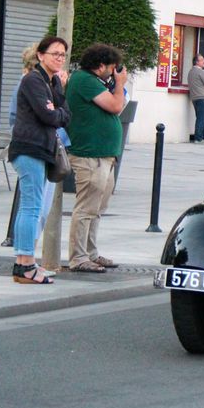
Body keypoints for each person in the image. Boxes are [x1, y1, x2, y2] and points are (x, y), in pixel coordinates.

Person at [8, 36, 71, 284]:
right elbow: (50, 115)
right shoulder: (33, 80)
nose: (59, 58)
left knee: (34, 208)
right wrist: (59, 113)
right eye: (55, 53)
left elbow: (61, 111)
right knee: (31, 208)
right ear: (41, 56)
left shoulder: (48, 82)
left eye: (63, 55)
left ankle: (25, 264)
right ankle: (24, 264)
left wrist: (59, 100)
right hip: (29, 149)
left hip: (39, 150)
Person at [64, 43, 127, 274]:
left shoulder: (94, 81)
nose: (114, 71)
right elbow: (115, 105)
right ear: (100, 66)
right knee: (86, 207)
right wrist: (120, 85)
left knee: (97, 207)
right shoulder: (84, 80)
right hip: (90, 155)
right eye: (112, 67)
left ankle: (90, 252)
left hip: (104, 155)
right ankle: (78, 257)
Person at [187, 54, 204, 143]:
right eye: (202, 60)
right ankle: (198, 138)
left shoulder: (190, 72)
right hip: (202, 97)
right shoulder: (200, 71)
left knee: (200, 118)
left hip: (194, 97)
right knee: (201, 119)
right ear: (197, 62)